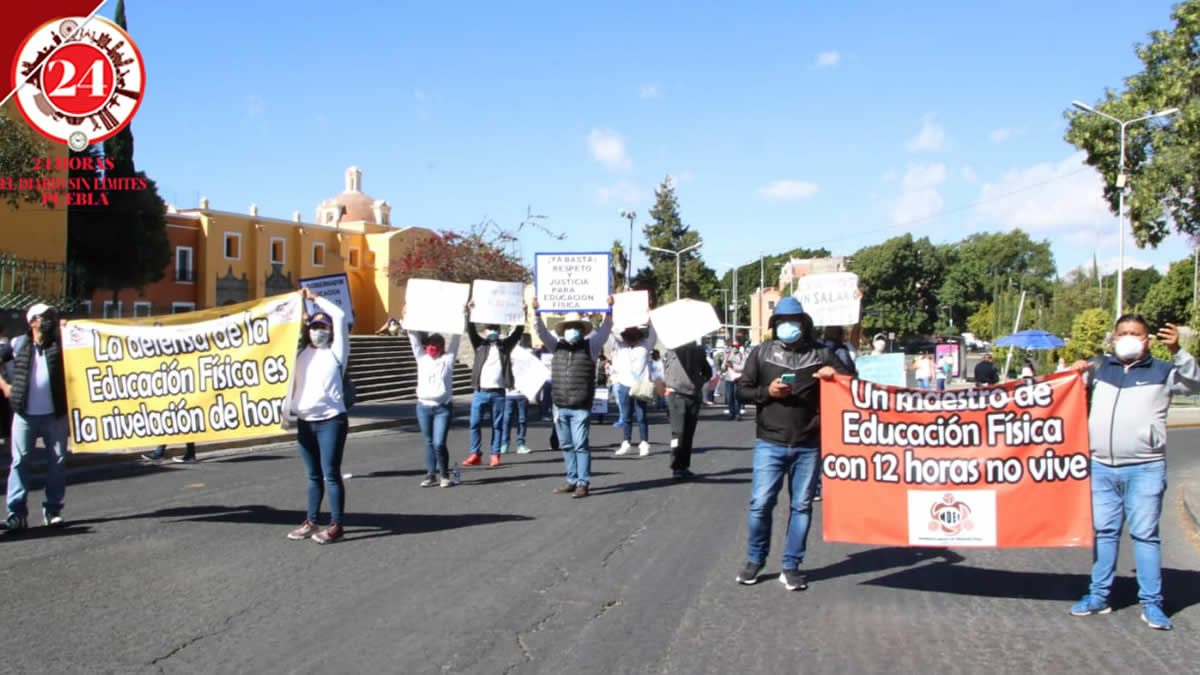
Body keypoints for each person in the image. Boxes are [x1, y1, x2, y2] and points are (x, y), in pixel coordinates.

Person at [1068, 317, 1200, 630]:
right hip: (1101, 467)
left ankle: (1152, 604)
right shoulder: (1100, 369)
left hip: (1145, 468)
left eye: (1135, 334)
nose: (1128, 338)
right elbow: (1062, 392)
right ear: (1113, 338)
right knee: (1104, 533)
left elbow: (1196, 384)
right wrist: (1072, 371)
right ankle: (1098, 596)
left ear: (1147, 340)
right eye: (1123, 333)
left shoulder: (1164, 371)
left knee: (1145, 536)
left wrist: (1179, 352)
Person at [734, 297, 852, 590]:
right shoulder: (761, 354)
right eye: (783, 321)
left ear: (804, 324)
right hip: (769, 442)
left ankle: (791, 565)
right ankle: (755, 559)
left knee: (801, 506)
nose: (789, 327)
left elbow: (853, 383)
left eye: (795, 321)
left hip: (809, 443)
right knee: (760, 505)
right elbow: (742, 392)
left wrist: (835, 376)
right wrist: (769, 391)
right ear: (775, 325)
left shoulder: (822, 354)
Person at [283, 288, 351, 544]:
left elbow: (340, 315)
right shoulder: (301, 354)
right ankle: (311, 520)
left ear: (330, 331)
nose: (318, 330)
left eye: (323, 326)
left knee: (330, 473)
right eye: (314, 326)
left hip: (331, 420)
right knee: (312, 476)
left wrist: (314, 299)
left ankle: (336, 524)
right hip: (305, 422)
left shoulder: (337, 353)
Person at [533, 298, 614, 498]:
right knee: (567, 445)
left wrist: (609, 309)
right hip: (560, 405)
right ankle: (571, 479)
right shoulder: (556, 346)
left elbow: (605, 329)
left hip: (580, 406)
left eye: (576, 327)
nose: (572, 330)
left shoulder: (591, 346)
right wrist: (535, 313)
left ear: (582, 329)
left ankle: (582, 482)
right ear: (563, 330)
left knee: (580, 445)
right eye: (569, 327)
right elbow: (541, 332)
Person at [0, 303, 69, 532]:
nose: (50, 320)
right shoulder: (17, 344)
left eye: (52, 315)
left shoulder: (60, 344)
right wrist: (5, 386)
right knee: (20, 462)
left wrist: (72, 331)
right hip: (24, 415)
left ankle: (53, 510)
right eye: (44, 317)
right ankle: (16, 514)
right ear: (32, 322)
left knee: (57, 461)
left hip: (55, 414)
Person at [463, 310, 524, 468]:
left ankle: (495, 454)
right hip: (480, 391)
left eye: (496, 329)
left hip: (498, 393)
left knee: (497, 425)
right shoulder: (480, 345)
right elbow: (470, 329)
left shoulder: (505, 346)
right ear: (484, 332)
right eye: (490, 329)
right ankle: (475, 453)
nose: (493, 332)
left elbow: (518, 332)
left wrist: (521, 313)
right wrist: (468, 313)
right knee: (474, 423)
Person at [409, 312, 463, 488]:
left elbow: (457, 338)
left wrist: (464, 315)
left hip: (442, 408)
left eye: (435, 345)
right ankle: (431, 474)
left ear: (441, 347)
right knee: (429, 442)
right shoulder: (421, 359)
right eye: (429, 344)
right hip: (423, 407)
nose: (431, 347)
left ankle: (444, 474)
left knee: (439, 442)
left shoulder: (448, 360)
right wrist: (407, 317)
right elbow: (413, 338)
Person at [662, 340, 712, 479]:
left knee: (689, 433)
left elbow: (707, 372)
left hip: (693, 395)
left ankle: (684, 465)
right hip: (676, 395)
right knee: (678, 433)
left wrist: (698, 381)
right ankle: (676, 465)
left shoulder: (699, 351)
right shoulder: (672, 350)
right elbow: (664, 371)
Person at [610, 324, 656, 455]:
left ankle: (644, 443)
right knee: (626, 416)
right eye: (627, 333)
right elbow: (612, 330)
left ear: (638, 334)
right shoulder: (620, 346)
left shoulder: (646, 345)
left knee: (641, 416)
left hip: (640, 385)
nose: (630, 336)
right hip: (624, 384)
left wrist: (650, 320)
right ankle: (626, 442)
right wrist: (610, 314)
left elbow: (653, 333)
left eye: (633, 333)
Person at [501, 390, 531, 455]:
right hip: (508, 394)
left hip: (523, 394)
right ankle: (504, 444)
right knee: (507, 420)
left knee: (522, 420)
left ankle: (521, 444)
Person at [722, 343, 747, 420]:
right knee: (729, 397)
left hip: (738, 378)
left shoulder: (742, 355)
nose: (734, 348)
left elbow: (743, 367)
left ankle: (737, 414)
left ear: (739, 347)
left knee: (737, 397)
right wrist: (725, 362)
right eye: (733, 346)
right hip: (729, 378)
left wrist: (732, 366)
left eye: (736, 346)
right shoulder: (728, 355)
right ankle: (731, 412)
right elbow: (723, 367)